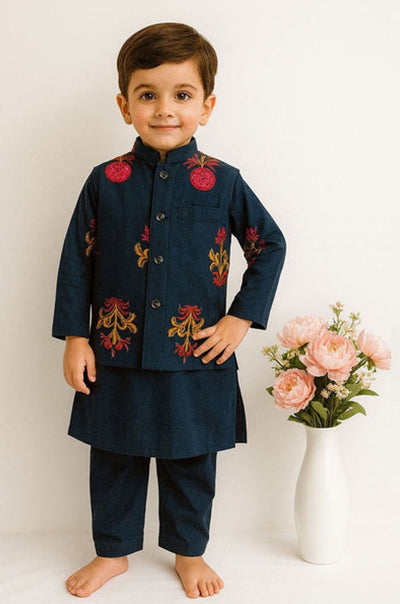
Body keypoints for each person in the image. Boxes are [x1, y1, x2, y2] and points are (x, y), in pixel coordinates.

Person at [52, 22, 286, 599]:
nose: (164, 109)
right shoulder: (105, 181)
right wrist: (75, 338)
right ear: (124, 105)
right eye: (147, 94)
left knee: (191, 461)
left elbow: (269, 245)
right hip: (115, 353)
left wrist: (239, 318)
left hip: (195, 354)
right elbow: (77, 260)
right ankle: (112, 553)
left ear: (206, 106)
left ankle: (189, 553)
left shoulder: (224, 182)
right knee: (114, 457)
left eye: (182, 95)